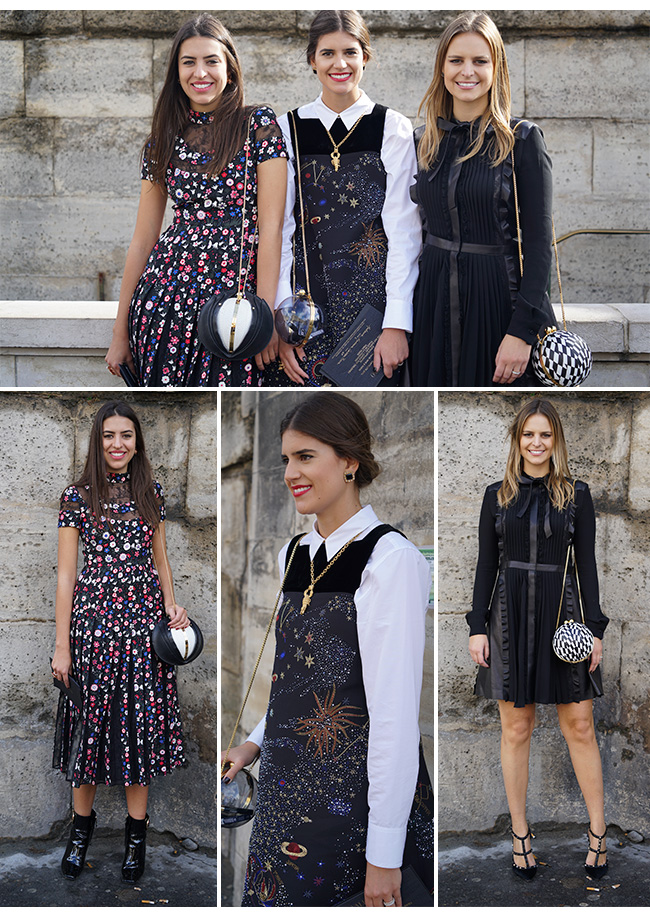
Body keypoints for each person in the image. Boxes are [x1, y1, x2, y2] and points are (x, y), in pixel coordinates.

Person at [222, 393, 434, 906]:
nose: (290, 473)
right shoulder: (293, 553)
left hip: (350, 800)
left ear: (349, 461)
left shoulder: (390, 560)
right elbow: (297, 681)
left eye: (306, 456)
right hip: (282, 790)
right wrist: (254, 742)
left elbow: (394, 718)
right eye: (286, 459)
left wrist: (384, 854)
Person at [467, 398, 609, 879]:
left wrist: (594, 629)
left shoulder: (577, 494)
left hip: (562, 617)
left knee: (580, 725)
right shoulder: (497, 495)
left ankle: (598, 832)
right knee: (516, 728)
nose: (536, 442)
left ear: (556, 440)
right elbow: (486, 564)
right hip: (508, 616)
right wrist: (477, 626)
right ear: (517, 439)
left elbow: (586, 565)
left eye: (545, 434)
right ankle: (520, 835)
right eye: (528, 434)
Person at [105, 14, 287, 386]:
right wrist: (119, 332)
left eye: (211, 61)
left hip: (235, 300)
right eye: (188, 62)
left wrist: (265, 317)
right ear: (177, 73)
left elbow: (272, 228)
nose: (199, 72)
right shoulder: (161, 140)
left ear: (229, 69)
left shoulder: (258, 125)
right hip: (166, 297)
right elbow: (142, 240)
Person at [51, 401, 188, 881]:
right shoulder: (77, 496)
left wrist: (171, 606)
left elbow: (161, 560)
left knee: (137, 734)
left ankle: (136, 841)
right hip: (93, 632)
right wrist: (62, 645)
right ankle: (79, 836)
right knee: (88, 734)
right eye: (109, 435)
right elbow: (66, 576)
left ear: (136, 442)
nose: (117, 444)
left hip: (144, 632)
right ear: (98, 440)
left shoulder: (151, 492)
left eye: (125, 435)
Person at [263, 9, 422, 387]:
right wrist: (282, 321)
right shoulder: (286, 129)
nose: (340, 64)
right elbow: (280, 228)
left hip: (373, 311)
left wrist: (396, 323)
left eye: (350, 52)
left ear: (365, 57)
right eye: (328, 53)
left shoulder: (392, 128)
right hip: (305, 306)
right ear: (312, 60)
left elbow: (404, 231)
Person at [411, 11, 555, 387]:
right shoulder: (423, 140)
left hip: (497, 303)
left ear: (496, 68)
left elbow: (539, 248)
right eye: (456, 60)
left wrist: (521, 332)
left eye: (480, 61)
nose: (467, 72)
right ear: (442, 68)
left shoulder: (522, 140)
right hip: (432, 305)